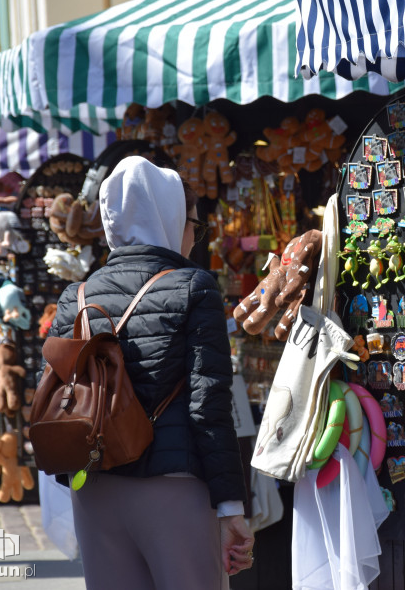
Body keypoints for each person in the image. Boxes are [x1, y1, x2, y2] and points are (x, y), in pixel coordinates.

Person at [46, 157, 253, 589]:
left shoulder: (75, 295)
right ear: (170, 217)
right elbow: (208, 405)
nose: (194, 235)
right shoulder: (194, 287)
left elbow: (56, 393)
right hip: (174, 488)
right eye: (194, 224)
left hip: (94, 487)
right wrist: (231, 506)